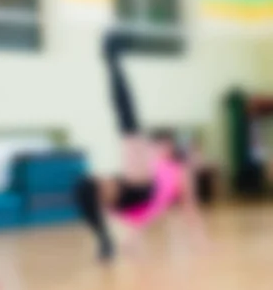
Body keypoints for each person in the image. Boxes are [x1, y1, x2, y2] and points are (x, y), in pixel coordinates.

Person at [75, 30, 208, 262]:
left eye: (162, 143)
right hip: (131, 191)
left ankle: (113, 58)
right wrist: (132, 236)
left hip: (142, 191)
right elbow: (148, 213)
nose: (158, 144)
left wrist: (199, 238)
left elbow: (185, 206)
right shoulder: (157, 157)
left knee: (128, 121)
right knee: (83, 186)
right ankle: (104, 239)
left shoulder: (179, 171)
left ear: (169, 147)